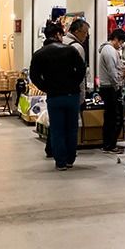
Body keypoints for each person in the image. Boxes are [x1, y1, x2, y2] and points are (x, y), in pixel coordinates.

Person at [30, 25, 86, 171]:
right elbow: (81, 70)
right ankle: (70, 159)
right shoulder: (71, 50)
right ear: (58, 35)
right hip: (72, 95)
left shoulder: (39, 54)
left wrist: (46, 87)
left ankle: (60, 162)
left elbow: (34, 76)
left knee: (57, 129)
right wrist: (74, 83)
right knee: (72, 129)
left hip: (54, 97)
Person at [99, 29, 125, 154]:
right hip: (110, 88)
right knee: (115, 117)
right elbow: (112, 71)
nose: (121, 45)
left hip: (109, 87)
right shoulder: (109, 51)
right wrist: (117, 85)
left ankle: (109, 144)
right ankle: (110, 145)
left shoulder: (109, 50)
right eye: (121, 42)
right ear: (115, 39)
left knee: (111, 117)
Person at [40, 22, 64, 159]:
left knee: (54, 121)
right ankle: (58, 151)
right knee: (62, 124)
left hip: (51, 91)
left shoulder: (42, 51)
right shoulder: (63, 50)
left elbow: (36, 74)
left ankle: (50, 148)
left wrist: (44, 86)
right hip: (62, 91)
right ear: (57, 35)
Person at [63, 19, 90, 102]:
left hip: (56, 92)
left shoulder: (61, 41)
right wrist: (82, 96)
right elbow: (80, 73)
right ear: (77, 31)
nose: (86, 36)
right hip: (72, 92)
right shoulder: (77, 47)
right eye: (85, 32)